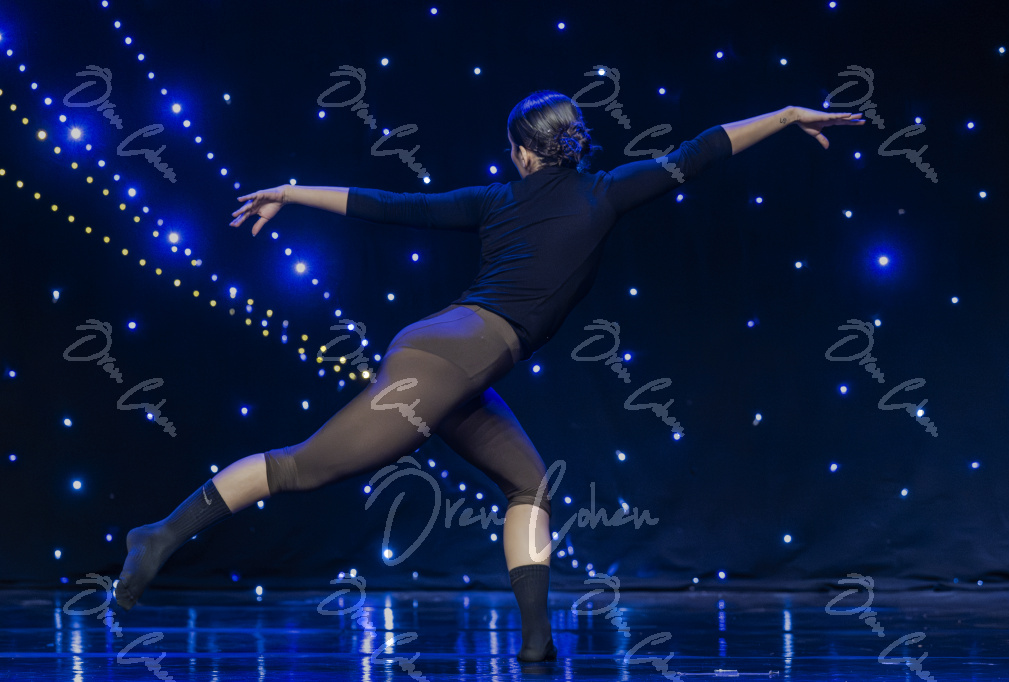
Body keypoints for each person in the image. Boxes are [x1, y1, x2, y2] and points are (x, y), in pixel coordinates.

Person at [114, 90, 863, 662]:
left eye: (513, 150)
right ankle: (160, 534)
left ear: (524, 153)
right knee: (304, 467)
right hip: (450, 360)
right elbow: (702, 150)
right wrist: (787, 115)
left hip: (452, 360)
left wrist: (291, 190)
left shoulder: (500, 199)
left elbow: (392, 205)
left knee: (529, 486)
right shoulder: (606, 192)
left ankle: (537, 648)